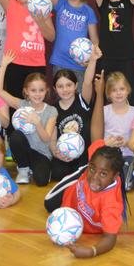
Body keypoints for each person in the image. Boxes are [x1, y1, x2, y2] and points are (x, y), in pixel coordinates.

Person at [21, 0, 98, 90]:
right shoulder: (60, 3)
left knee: (80, 104)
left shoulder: (88, 11)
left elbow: (94, 39)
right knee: (61, 103)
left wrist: (90, 60)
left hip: (80, 65)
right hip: (60, 63)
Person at [44, 139, 125, 258]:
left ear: (115, 176)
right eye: (92, 169)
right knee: (48, 203)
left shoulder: (111, 204)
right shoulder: (97, 159)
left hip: (83, 225)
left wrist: (92, 251)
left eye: (103, 174)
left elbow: (110, 238)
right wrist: (108, 142)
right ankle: (83, 170)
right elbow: (96, 145)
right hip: (70, 194)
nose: (94, 177)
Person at [0, 50, 58, 186]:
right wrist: (4, 65)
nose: (37, 94)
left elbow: (47, 138)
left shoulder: (52, 111)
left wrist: (37, 122)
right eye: (33, 90)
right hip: (23, 151)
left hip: (41, 153)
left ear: (46, 90)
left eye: (41, 90)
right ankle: (23, 169)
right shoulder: (21, 104)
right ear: (26, 92)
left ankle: (34, 168)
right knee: (16, 135)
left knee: (41, 181)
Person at [50, 47, 102, 181]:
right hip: (64, 155)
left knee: (83, 176)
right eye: (60, 86)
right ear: (55, 89)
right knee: (57, 174)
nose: (65, 89)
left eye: (69, 85)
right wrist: (56, 153)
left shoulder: (82, 100)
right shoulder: (52, 110)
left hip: (83, 156)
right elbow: (52, 139)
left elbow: (87, 81)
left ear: (75, 86)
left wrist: (93, 60)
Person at [101, 72, 134, 191]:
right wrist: (107, 142)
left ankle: (132, 172)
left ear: (128, 90)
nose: (118, 93)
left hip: (128, 155)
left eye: (122, 89)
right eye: (114, 90)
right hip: (108, 154)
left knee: (126, 186)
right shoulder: (104, 111)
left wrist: (127, 142)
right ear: (108, 93)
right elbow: (98, 137)